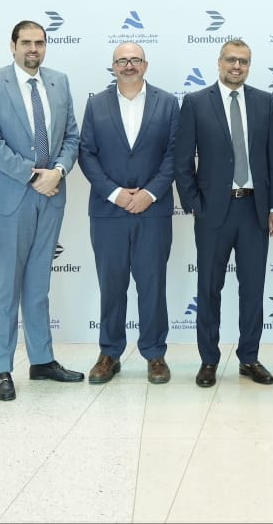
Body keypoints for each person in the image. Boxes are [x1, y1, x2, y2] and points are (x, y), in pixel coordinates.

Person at [0, 20, 84, 401]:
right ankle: (2, 368)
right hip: (12, 196)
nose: (33, 49)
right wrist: (33, 175)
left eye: (39, 42)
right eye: (26, 43)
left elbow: (71, 137)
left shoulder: (59, 82)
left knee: (38, 285)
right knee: (8, 286)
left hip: (51, 194)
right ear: (13, 46)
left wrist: (58, 171)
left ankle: (41, 360)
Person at [174, 39, 273, 388]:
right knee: (209, 287)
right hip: (213, 212)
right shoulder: (196, 102)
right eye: (232, 60)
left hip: (254, 210)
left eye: (244, 61)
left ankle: (249, 358)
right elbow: (182, 159)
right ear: (219, 62)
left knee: (253, 289)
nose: (237, 66)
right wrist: (194, 204)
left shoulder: (264, 101)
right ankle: (209, 360)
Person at [78, 42, 179, 385]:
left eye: (135, 60)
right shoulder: (96, 103)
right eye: (122, 60)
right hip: (108, 211)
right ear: (113, 67)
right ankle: (109, 353)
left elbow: (174, 154)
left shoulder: (168, 103)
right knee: (111, 285)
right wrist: (115, 193)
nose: (129, 65)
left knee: (152, 284)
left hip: (153, 211)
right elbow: (87, 153)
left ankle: (155, 354)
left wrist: (149, 193)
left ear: (145, 65)